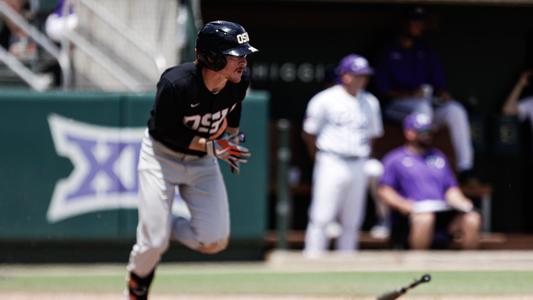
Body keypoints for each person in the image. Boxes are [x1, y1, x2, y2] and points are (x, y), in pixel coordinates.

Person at [126, 20, 258, 299]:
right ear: (212, 56)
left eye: (245, 55)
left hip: (201, 162)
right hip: (161, 157)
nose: (243, 61)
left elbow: (232, 112)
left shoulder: (239, 81)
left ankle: (165, 224)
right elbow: (165, 132)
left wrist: (230, 141)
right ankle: (138, 282)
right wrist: (213, 147)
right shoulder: (176, 82)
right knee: (152, 244)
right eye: (237, 55)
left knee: (214, 241)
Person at [374, 6, 475, 182]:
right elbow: (382, 90)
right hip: (395, 108)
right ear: (404, 24)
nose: (418, 26)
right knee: (422, 108)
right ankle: (423, 163)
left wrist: (443, 95)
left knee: (455, 111)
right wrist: (409, 94)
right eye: (414, 21)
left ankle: (466, 168)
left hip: (425, 106)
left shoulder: (425, 50)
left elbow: (440, 84)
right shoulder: (388, 50)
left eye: (420, 22)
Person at [302, 54, 383, 257]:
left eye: (364, 76)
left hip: (358, 161)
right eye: (357, 75)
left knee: (353, 219)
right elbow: (309, 133)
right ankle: (312, 259)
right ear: (345, 75)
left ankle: (346, 262)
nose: (361, 79)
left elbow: (373, 136)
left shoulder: (370, 102)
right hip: (332, 159)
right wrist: (318, 158)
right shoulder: (325, 99)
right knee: (322, 216)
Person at [377, 112, 481, 250]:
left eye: (429, 131)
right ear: (409, 133)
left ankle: (468, 268)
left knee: (472, 218)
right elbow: (384, 190)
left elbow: (450, 189)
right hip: (411, 217)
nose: (427, 135)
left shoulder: (439, 157)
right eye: (422, 131)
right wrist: (404, 205)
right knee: (425, 218)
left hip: (441, 213)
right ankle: (419, 265)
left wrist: (462, 203)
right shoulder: (395, 159)